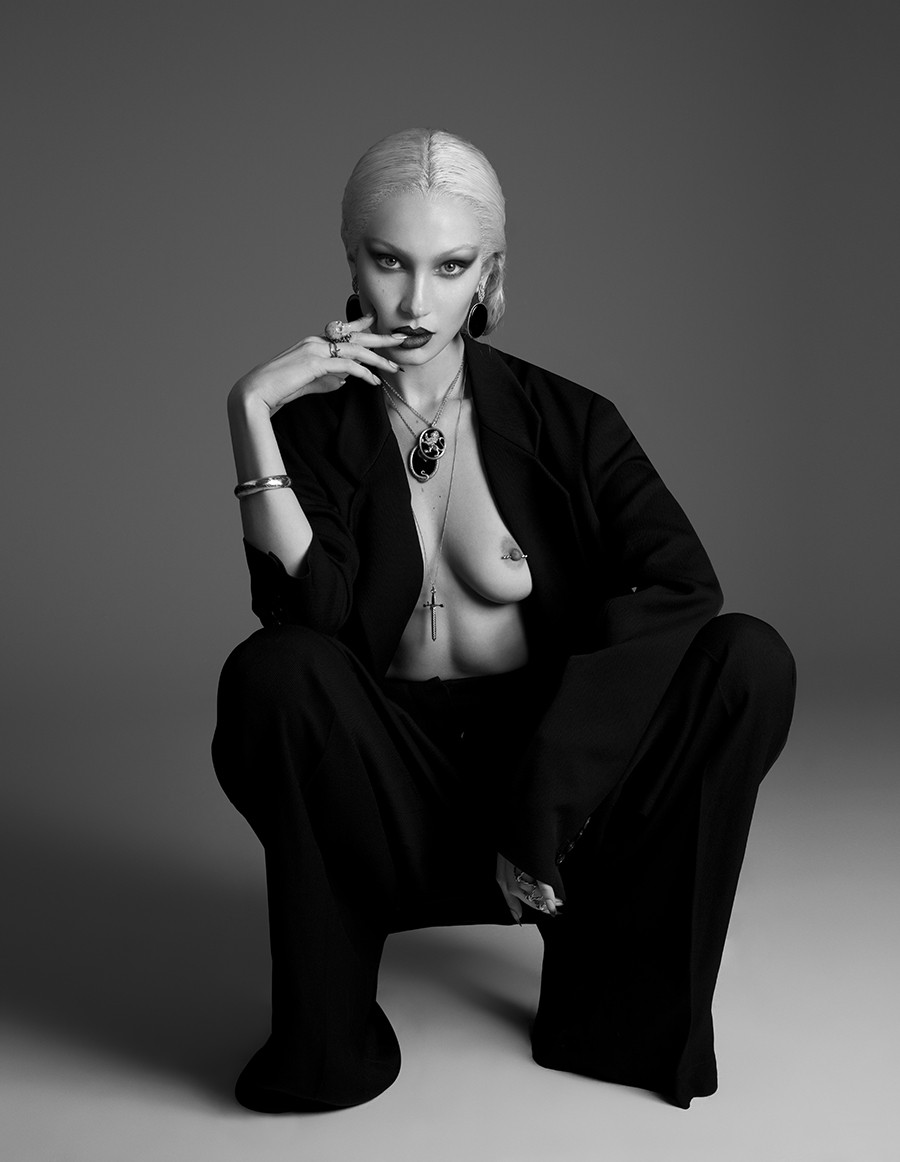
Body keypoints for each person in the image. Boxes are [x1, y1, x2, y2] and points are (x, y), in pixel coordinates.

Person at [211, 127, 796, 1114]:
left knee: (748, 657)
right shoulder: (314, 430)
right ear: (350, 259)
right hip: (391, 789)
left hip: (556, 790)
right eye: (388, 260)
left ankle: (618, 1011)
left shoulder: (569, 420)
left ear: (490, 273)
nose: (414, 300)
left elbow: (681, 586)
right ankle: (328, 1037)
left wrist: (544, 800)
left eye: (450, 267)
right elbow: (306, 618)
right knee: (275, 669)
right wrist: (251, 411)